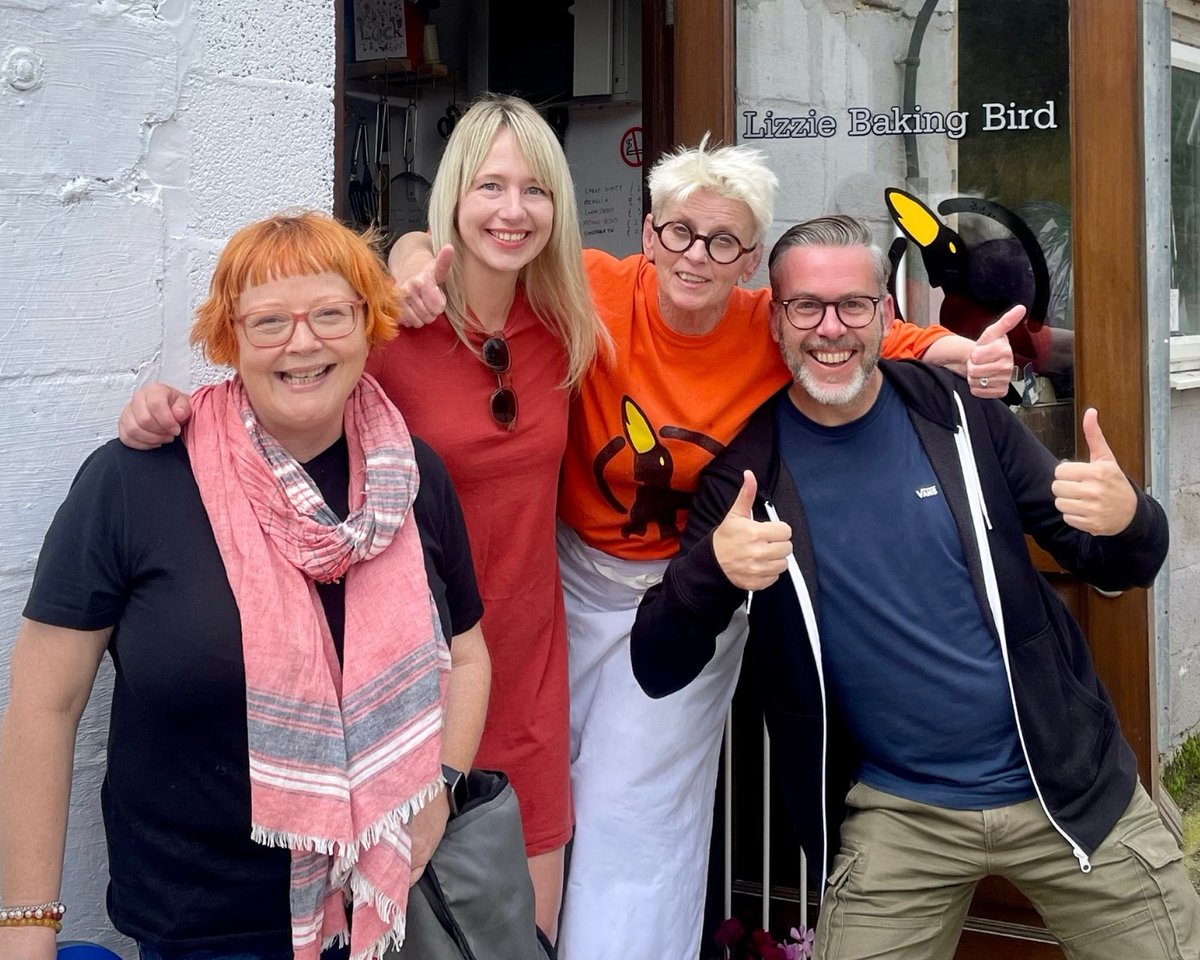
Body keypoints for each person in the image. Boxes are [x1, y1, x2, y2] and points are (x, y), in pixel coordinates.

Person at [386, 137, 1020, 960]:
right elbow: (459, 258)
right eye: (681, 232)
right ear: (649, 236)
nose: (698, 255)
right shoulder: (589, 286)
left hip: (685, 595)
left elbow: (881, 336)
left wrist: (960, 352)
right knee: (549, 794)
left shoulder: (767, 324)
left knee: (635, 815)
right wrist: (405, 254)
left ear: (750, 257)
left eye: (724, 241)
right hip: (567, 580)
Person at [630, 214, 1200, 959]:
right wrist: (712, 572)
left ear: (886, 315)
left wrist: (1131, 519)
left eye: (853, 306)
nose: (830, 330)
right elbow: (656, 662)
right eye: (807, 307)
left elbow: (1117, 562)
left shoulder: (960, 418)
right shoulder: (747, 476)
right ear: (775, 320)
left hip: (1064, 789)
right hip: (898, 815)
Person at [112, 94, 607, 942]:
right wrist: (164, 412)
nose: (513, 210)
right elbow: (277, 387)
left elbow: (729, 306)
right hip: (399, 700)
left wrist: (904, 339)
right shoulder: (386, 322)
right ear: (452, 195)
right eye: (490, 185)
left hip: (519, 680)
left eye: (536, 190)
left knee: (513, 940)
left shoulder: (572, 326)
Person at [0, 211, 491, 960]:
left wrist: (441, 785)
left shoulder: (414, 476)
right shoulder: (134, 481)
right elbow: (44, 706)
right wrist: (26, 929)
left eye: (331, 313)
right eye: (269, 322)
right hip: (199, 926)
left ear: (369, 324)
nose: (303, 342)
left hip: (385, 908)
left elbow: (470, 652)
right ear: (230, 337)